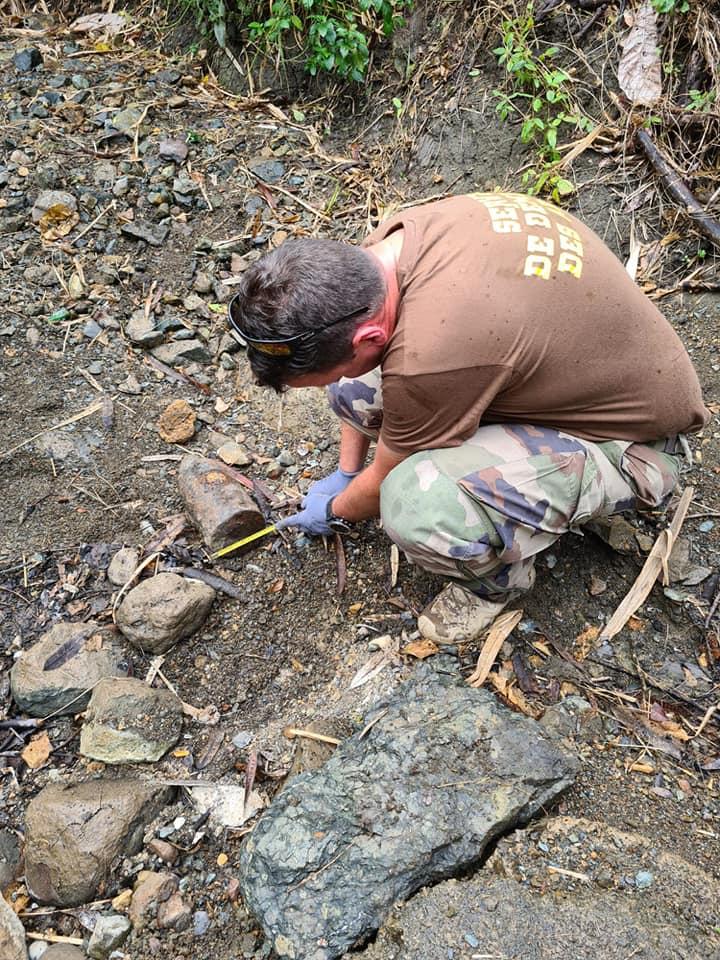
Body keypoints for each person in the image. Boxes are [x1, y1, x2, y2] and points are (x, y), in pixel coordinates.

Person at [227, 192, 709, 641]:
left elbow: (386, 478)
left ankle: (498, 584)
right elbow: (360, 389)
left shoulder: (432, 357)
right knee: (356, 385)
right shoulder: (384, 253)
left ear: (368, 337)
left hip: (637, 444)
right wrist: (346, 472)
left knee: (416, 503)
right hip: (576, 370)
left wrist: (335, 510)